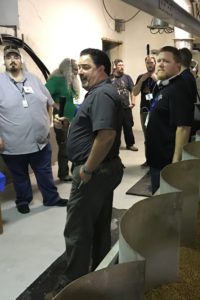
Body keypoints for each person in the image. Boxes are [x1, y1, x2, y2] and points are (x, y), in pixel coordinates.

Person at [52, 48, 124, 293]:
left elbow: (106, 135)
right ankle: (100, 271)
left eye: (86, 67)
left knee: (77, 229)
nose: (79, 72)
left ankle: (73, 285)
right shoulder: (97, 93)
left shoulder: (102, 94)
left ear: (101, 69)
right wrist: (71, 124)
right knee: (99, 223)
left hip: (95, 171)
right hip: (104, 170)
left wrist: (88, 170)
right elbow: (94, 127)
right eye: (78, 68)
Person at [0, 45, 67, 214]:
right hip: (13, 143)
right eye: (9, 58)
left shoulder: (34, 80)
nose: (12, 60)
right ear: (4, 62)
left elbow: (50, 102)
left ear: (21, 61)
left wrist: (51, 121)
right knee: (20, 176)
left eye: (16, 57)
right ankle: (23, 200)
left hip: (40, 141)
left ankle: (51, 198)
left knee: (44, 172)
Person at [146, 46, 195, 194]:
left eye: (166, 61)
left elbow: (183, 128)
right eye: (159, 60)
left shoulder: (178, 89)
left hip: (166, 163)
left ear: (178, 66)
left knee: (163, 205)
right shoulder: (165, 87)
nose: (160, 64)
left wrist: (175, 165)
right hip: (157, 159)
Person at [45, 58, 80, 182]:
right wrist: (55, 105)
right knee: (64, 145)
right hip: (61, 118)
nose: (77, 70)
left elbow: (75, 98)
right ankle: (63, 173)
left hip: (74, 116)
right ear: (68, 68)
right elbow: (44, 93)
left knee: (75, 144)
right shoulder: (56, 80)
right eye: (75, 68)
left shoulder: (72, 81)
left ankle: (75, 171)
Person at [132, 56, 157, 167]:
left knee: (156, 136)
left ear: (155, 63)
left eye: (151, 62)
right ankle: (149, 160)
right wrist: (141, 81)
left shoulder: (160, 77)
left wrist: (156, 80)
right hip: (145, 111)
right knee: (147, 137)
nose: (149, 65)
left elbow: (165, 91)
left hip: (157, 111)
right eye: (147, 63)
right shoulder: (141, 77)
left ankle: (156, 160)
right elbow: (135, 92)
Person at [111, 59, 138, 151]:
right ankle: (115, 145)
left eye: (123, 65)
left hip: (126, 107)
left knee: (128, 127)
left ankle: (130, 144)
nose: (122, 67)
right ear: (114, 66)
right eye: (119, 65)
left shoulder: (127, 78)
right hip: (114, 108)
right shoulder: (109, 78)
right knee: (115, 128)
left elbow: (133, 90)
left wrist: (133, 102)